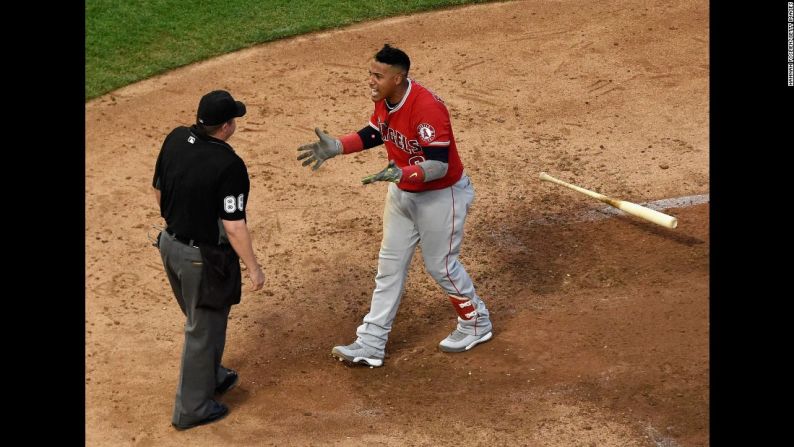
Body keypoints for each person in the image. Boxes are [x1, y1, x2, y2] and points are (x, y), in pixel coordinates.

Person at [297, 44, 493, 368]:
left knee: (441, 267)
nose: (371, 81)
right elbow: (376, 132)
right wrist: (338, 146)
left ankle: (476, 322)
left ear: (398, 78)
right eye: (370, 74)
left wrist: (404, 172)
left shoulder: (426, 107)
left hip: (441, 197)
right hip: (403, 194)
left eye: (378, 76)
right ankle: (371, 343)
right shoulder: (386, 101)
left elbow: (440, 164)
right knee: (388, 267)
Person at [152, 90, 266, 429]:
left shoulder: (175, 138)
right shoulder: (229, 165)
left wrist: (180, 220)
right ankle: (192, 409)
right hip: (201, 260)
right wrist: (254, 268)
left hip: (170, 247)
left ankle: (210, 375)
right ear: (227, 126)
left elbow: (159, 188)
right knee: (202, 328)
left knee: (208, 320)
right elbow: (233, 226)